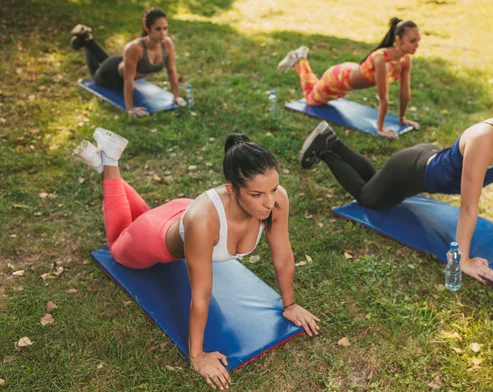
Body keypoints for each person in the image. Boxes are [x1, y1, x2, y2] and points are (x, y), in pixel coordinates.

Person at [72, 130, 320, 389]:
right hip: (155, 234)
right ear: (231, 190)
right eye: (257, 194)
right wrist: (197, 355)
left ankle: (102, 164)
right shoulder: (203, 222)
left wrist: (290, 305)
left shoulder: (276, 200)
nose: (269, 202)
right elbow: (200, 294)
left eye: (273, 189)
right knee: (119, 247)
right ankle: (109, 164)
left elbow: (283, 255)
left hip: (183, 216)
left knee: (142, 216)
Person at [299, 58, 493, 284]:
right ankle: (325, 149)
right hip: (412, 171)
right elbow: (469, 206)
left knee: (376, 182)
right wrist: (463, 259)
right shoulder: (487, 137)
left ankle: (332, 141)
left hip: (424, 160)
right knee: (369, 198)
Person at [277, 17, 421, 139]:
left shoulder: (405, 59)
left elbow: (404, 92)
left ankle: (299, 58)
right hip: (339, 78)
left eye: (418, 40)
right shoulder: (381, 59)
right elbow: (383, 97)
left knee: (317, 91)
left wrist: (402, 118)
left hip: (347, 82)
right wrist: (380, 129)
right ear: (398, 40)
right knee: (310, 99)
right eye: (412, 41)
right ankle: (300, 60)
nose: (417, 45)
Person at [70, 7, 184, 117]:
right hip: (110, 74)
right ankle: (86, 43)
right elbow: (128, 80)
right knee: (96, 77)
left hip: (121, 63)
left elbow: (171, 71)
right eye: (158, 29)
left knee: (110, 61)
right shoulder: (135, 48)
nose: (163, 33)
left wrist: (176, 96)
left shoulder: (167, 44)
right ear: (147, 28)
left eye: (165, 28)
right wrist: (130, 108)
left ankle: (88, 39)